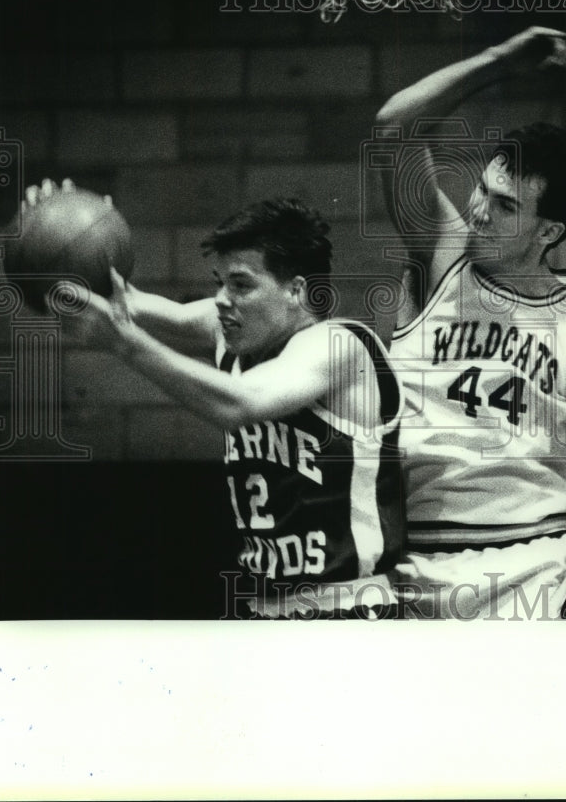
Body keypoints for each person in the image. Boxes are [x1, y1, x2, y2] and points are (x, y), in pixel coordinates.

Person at [373, 26, 566, 620]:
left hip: (530, 566)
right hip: (415, 564)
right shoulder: (443, 253)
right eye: (483, 190)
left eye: (506, 206)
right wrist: (499, 60)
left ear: (549, 231)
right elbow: (392, 127)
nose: (480, 211)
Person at [28, 184, 404, 620]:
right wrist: (60, 232)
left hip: (348, 608)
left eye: (241, 284)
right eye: (220, 283)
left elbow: (240, 403)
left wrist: (125, 345)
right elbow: (121, 302)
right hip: (263, 608)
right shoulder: (228, 331)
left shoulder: (338, 346)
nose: (223, 299)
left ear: (296, 291)